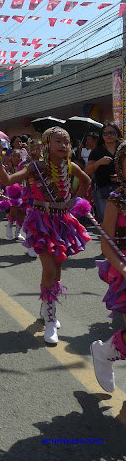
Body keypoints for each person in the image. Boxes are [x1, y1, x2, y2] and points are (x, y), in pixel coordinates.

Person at [0, 127, 91, 345]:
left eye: (66, 141)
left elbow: (86, 181)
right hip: (42, 221)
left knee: (58, 268)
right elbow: (8, 180)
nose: (63, 145)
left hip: (63, 221)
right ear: (46, 145)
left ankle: (47, 304)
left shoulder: (70, 166)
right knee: (49, 268)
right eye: (58, 141)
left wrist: (76, 200)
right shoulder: (36, 167)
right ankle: (51, 319)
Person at [91, 140, 126, 392]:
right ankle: (104, 353)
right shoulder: (116, 200)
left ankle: (105, 351)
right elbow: (106, 245)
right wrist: (123, 268)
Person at [86, 123, 122, 222]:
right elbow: (87, 171)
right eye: (105, 133)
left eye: (112, 132)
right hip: (102, 191)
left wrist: (121, 177)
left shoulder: (123, 149)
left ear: (117, 134)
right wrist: (98, 163)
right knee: (107, 222)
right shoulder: (97, 151)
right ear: (102, 135)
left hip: (122, 190)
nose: (109, 135)